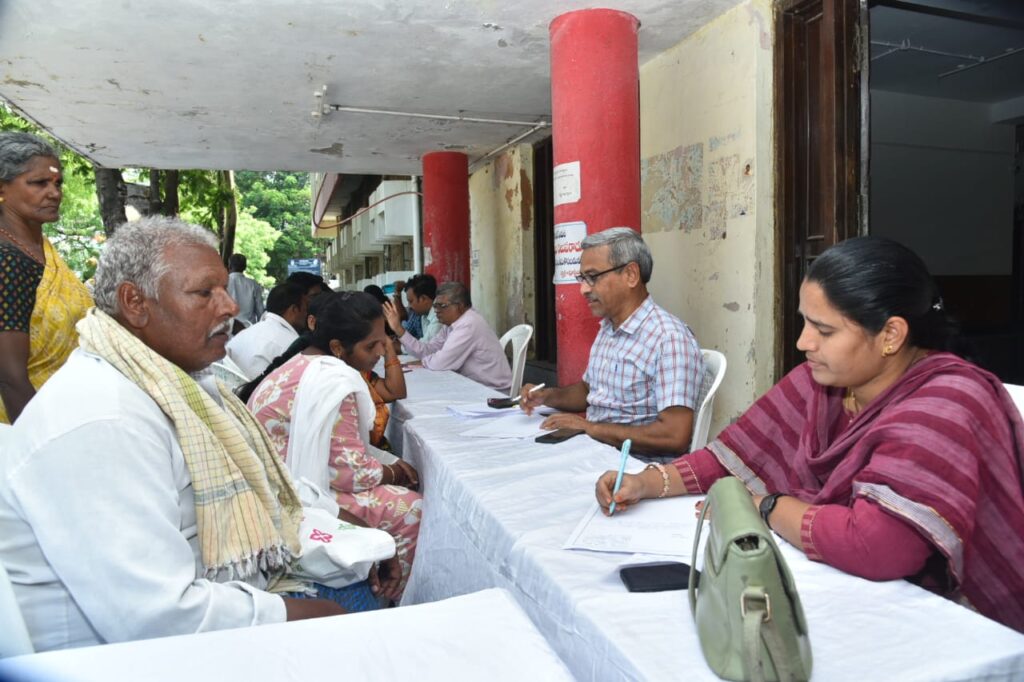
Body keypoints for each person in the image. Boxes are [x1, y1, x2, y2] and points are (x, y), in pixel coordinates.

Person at [595, 236, 1024, 633]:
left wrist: (766, 507)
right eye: (805, 323)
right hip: (845, 590)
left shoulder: (946, 402)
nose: (803, 342)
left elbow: (879, 545)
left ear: (891, 335)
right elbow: (733, 456)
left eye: (825, 330)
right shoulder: (823, 383)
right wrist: (647, 482)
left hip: (953, 619)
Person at [0, 216, 385, 652]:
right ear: (135, 303)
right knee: (366, 624)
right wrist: (309, 616)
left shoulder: (177, 382)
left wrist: (347, 530)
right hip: (122, 656)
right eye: (205, 293)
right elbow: (155, 616)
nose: (230, 306)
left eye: (224, 289)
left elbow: (265, 484)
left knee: (366, 574)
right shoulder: (103, 418)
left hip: (208, 602)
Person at [248, 292, 422, 593]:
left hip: (274, 484)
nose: (381, 351)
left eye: (384, 340)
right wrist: (394, 472)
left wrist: (390, 463)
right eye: (371, 345)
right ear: (338, 347)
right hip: (287, 499)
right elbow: (348, 474)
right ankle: (389, 597)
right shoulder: (333, 382)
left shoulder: (300, 363)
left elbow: (340, 451)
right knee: (411, 507)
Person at [519, 227, 704, 457]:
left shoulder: (669, 339)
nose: (583, 289)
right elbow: (589, 390)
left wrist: (590, 428)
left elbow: (674, 436)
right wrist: (547, 396)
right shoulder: (609, 328)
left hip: (635, 466)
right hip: (596, 450)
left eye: (593, 277)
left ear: (631, 275)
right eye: (582, 278)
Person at [0, 131, 93, 424]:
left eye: (57, 183)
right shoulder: (7, 260)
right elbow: (10, 377)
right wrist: (44, 440)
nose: (55, 193)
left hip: (63, 412)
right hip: (22, 423)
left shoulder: (38, 248)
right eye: (39, 183)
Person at [383, 281, 512, 392]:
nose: (436, 310)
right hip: (472, 386)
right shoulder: (451, 324)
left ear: (460, 306)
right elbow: (427, 350)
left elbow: (440, 362)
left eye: (442, 306)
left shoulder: (469, 324)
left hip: (493, 391)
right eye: (435, 305)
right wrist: (398, 329)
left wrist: (423, 362)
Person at [226, 281, 308, 378]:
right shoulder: (292, 345)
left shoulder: (242, 336)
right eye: (306, 308)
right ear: (294, 310)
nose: (308, 314)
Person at [226, 253, 264, 329]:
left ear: (229, 266)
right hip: (248, 329)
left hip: (228, 328)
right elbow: (260, 311)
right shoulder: (253, 284)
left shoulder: (223, 283)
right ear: (245, 267)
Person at [403, 273, 442, 342]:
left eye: (411, 301)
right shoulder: (423, 313)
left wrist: (397, 328)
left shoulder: (440, 315)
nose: (409, 306)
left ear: (423, 299)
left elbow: (425, 346)